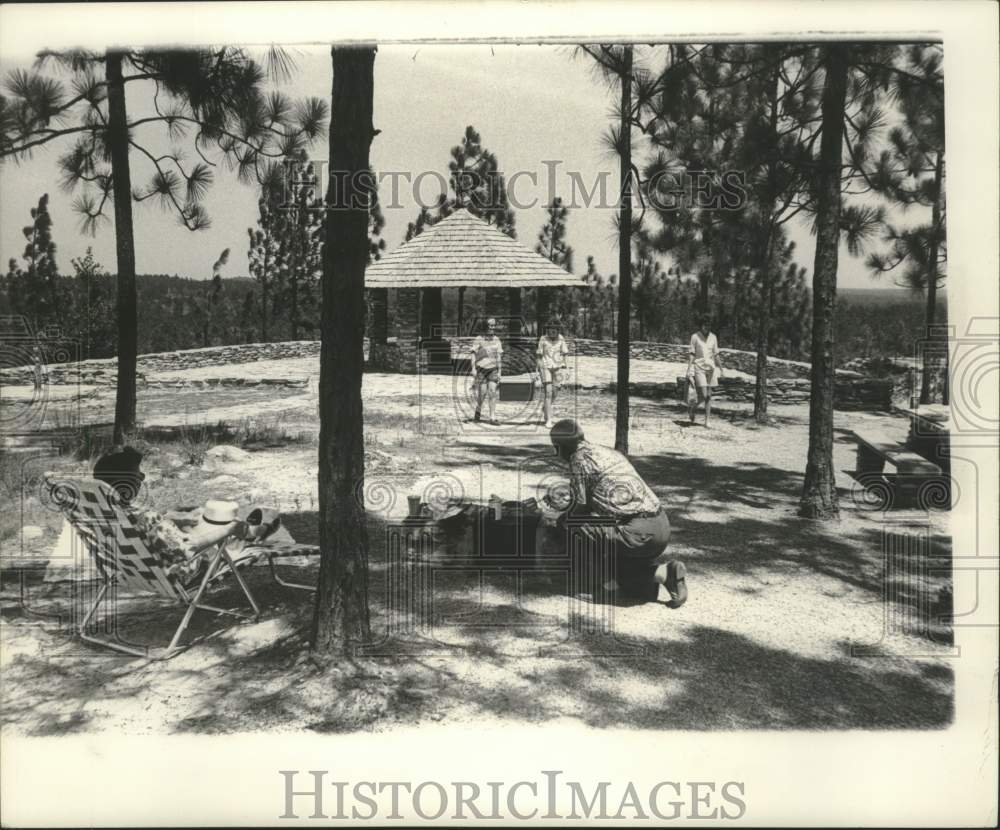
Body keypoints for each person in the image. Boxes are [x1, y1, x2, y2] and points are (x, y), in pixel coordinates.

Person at [544, 419, 688, 606]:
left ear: (559, 447)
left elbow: (580, 507)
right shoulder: (605, 451)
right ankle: (664, 573)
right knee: (616, 564)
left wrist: (560, 518)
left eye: (556, 449)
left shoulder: (578, 460)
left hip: (637, 533)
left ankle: (606, 587)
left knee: (571, 525)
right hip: (659, 525)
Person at [92, 446, 235, 583]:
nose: (142, 479)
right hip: (183, 575)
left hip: (129, 574)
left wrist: (168, 520)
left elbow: (150, 528)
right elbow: (190, 547)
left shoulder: (99, 515)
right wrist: (229, 529)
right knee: (229, 534)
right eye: (139, 474)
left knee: (193, 527)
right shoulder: (147, 519)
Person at [686, 314, 724, 427]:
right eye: (705, 325)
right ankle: (693, 408)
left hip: (711, 369)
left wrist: (721, 369)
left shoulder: (713, 337)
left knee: (709, 396)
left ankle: (707, 421)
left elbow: (716, 354)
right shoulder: (695, 337)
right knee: (703, 395)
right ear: (701, 325)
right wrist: (689, 368)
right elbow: (692, 354)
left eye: (709, 325)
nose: (707, 327)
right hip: (699, 367)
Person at [469, 317, 503, 425]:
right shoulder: (479, 339)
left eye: (494, 325)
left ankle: (492, 417)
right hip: (481, 369)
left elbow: (499, 357)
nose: (492, 327)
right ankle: (478, 411)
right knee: (482, 393)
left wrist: (500, 371)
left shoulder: (497, 340)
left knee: (492, 392)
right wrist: (473, 369)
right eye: (490, 325)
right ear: (485, 326)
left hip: (493, 369)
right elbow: (473, 354)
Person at [536, 318, 569, 429]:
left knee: (555, 392)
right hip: (545, 367)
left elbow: (564, 354)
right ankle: (549, 420)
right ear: (548, 330)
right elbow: (539, 356)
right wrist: (538, 370)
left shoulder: (561, 339)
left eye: (555, 329)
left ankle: (545, 407)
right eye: (550, 329)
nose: (552, 331)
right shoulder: (543, 339)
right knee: (548, 393)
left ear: (558, 330)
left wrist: (567, 369)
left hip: (557, 367)